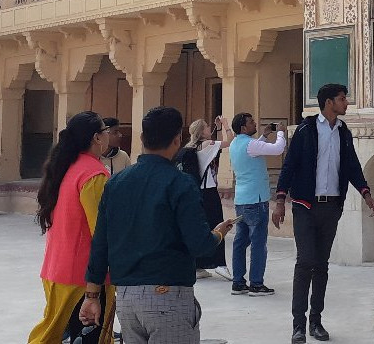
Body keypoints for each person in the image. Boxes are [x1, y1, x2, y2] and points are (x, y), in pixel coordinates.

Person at [80, 107, 237, 344]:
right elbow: (199, 244)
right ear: (177, 140)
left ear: (142, 138)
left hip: (126, 299)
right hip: (168, 295)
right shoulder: (180, 183)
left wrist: (92, 296)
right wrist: (218, 233)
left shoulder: (116, 183)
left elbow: (100, 244)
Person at [273, 83, 374, 344]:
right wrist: (280, 200)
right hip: (305, 206)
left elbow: (352, 165)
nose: (346, 104)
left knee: (321, 265)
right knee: (305, 262)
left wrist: (365, 193)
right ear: (329, 103)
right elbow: (290, 165)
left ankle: (316, 322)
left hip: (331, 207)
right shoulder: (307, 130)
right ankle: (298, 324)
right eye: (342, 99)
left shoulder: (343, 132)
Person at [28, 112, 114, 344]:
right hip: (84, 278)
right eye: (106, 131)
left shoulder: (65, 167)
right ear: (97, 138)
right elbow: (102, 232)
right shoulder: (94, 174)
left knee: (54, 332)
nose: (109, 135)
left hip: (57, 270)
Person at [228, 112, 285, 297]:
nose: (255, 124)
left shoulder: (236, 144)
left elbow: (253, 151)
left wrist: (264, 135)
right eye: (251, 122)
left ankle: (238, 282)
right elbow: (278, 149)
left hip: (241, 199)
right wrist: (281, 133)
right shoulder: (250, 144)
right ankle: (256, 284)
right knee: (258, 243)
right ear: (244, 128)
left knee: (240, 242)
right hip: (256, 199)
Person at [182, 115, 233, 280]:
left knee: (200, 226)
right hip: (209, 191)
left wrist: (216, 129)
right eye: (206, 127)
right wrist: (226, 125)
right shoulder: (208, 144)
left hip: (197, 191)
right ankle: (220, 264)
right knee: (218, 223)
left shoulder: (193, 146)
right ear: (200, 131)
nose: (208, 128)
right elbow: (229, 141)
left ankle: (198, 264)